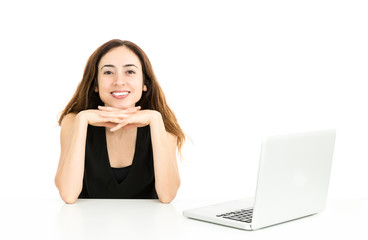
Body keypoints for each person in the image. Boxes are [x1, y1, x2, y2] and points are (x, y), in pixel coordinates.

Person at [55, 39, 185, 204]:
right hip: (88, 227)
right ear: (95, 84)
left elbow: (167, 196)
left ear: (145, 83)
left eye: (130, 72)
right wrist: (83, 120)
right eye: (108, 72)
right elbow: (68, 195)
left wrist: (155, 120)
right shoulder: (74, 121)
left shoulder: (160, 124)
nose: (119, 81)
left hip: (148, 228)